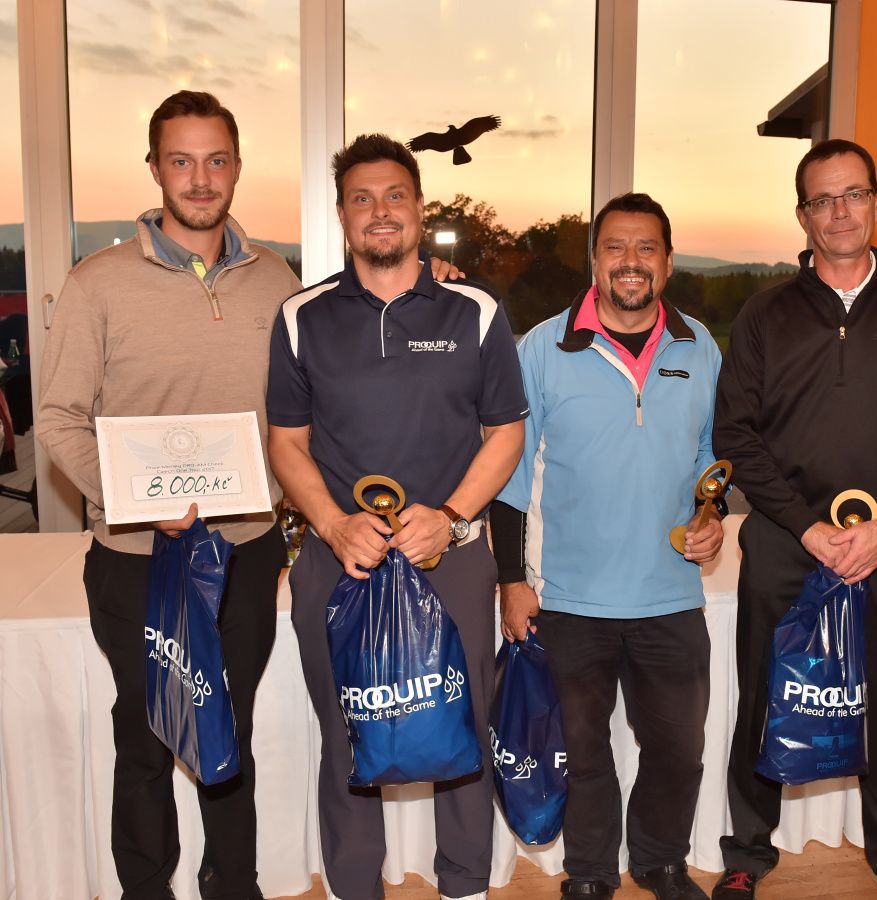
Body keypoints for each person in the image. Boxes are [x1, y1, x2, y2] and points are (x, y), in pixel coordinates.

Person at [36, 90, 303, 900]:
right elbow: (58, 419)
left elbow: (299, 410)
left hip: (246, 549)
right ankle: (146, 890)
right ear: (155, 168)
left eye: (215, 160)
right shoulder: (97, 282)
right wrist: (133, 499)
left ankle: (234, 885)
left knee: (230, 730)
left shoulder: (275, 278)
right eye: (181, 160)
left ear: (237, 167)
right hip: (137, 557)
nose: (200, 178)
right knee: (148, 741)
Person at [266, 133, 527, 900]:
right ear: (342, 215)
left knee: (463, 725)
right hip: (338, 563)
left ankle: (465, 885)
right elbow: (285, 443)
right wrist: (331, 523)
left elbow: (505, 433)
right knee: (346, 731)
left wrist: (450, 516)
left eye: (394, 196)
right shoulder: (301, 316)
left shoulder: (476, 310)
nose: (379, 211)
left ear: (419, 207)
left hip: (451, 558)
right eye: (361, 198)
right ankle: (354, 887)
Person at [709, 139, 877, 900]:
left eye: (853, 194)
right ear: (803, 216)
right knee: (764, 701)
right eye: (823, 199)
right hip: (786, 544)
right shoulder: (764, 315)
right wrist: (805, 527)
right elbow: (736, 437)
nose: (840, 212)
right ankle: (746, 853)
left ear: (876, 202)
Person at [493, 192, 724, 900]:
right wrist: (511, 581)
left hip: (669, 593)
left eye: (646, 247)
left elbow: (708, 457)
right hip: (568, 596)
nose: (631, 261)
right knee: (583, 751)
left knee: (678, 748)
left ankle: (659, 861)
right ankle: (590, 873)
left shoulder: (700, 346)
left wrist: (710, 513)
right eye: (615, 247)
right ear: (595, 261)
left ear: (668, 261)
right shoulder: (542, 348)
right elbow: (508, 476)